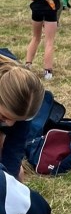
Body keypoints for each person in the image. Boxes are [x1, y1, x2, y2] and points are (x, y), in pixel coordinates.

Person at [0, 53, 45, 181]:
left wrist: (9, 182)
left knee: (16, 174)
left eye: (18, 120)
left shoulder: (24, 102)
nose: (10, 124)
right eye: (5, 117)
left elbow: (14, 150)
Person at [25, 0, 65, 80]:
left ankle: (28, 65)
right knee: (49, 41)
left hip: (37, 10)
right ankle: (48, 72)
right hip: (51, 12)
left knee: (35, 38)